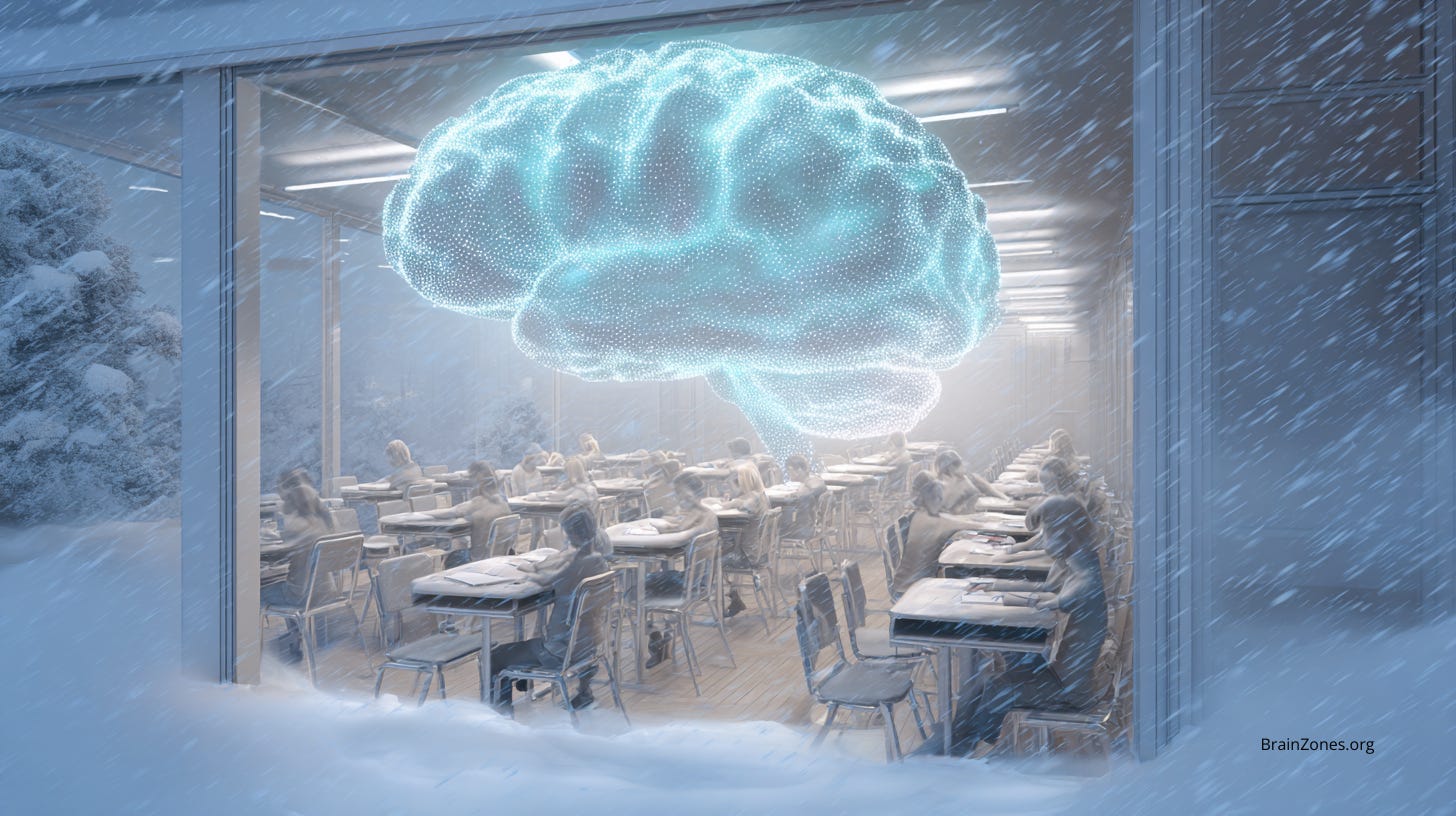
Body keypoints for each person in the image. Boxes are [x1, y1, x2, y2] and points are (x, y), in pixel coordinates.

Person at [950, 496, 1108, 756]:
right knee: (987, 684)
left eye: (1047, 534)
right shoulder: (1077, 567)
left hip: (1070, 692)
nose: (1043, 542)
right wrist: (995, 586)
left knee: (998, 688)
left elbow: (1045, 601)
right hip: (1061, 676)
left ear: (1064, 534)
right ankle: (964, 744)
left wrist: (999, 594)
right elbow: (1043, 593)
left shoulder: (1084, 580)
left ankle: (973, 749)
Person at [487, 504, 611, 715]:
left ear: (569, 533)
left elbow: (545, 579)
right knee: (524, 646)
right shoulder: (597, 561)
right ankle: (582, 691)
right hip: (588, 647)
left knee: (495, 657)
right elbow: (560, 565)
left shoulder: (575, 565)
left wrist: (527, 569)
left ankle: (500, 718)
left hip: (561, 651)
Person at [642, 472, 721, 667]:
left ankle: (657, 637)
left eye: (681, 494)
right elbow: (679, 525)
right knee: (650, 583)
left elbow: (685, 533)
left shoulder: (703, 517)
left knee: (638, 588)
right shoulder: (703, 514)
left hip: (691, 584)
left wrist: (669, 526)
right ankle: (663, 635)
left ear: (695, 493)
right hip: (697, 581)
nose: (678, 498)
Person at [262, 468, 336, 660]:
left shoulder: (296, 527)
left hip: (302, 595)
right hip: (325, 592)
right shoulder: (322, 523)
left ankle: (258, 657)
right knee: (283, 580)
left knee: (256, 592)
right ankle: (294, 638)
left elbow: (280, 554)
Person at [890, 474, 982, 597]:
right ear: (936, 498)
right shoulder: (934, 522)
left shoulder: (921, 514)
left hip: (909, 584)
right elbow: (975, 526)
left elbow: (956, 520)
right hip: (912, 590)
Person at [718, 464, 770, 618]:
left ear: (742, 484)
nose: (729, 486)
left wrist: (732, 502)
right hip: (759, 552)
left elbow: (745, 506)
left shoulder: (751, 499)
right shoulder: (759, 495)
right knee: (726, 551)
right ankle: (734, 594)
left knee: (713, 561)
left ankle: (723, 600)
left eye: (732, 483)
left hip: (747, 557)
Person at [434, 460, 511, 564]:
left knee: (452, 558)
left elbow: (444, 514)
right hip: (501, 558)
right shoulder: (502, 502)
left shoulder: (476, 503)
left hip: (479, 561)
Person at [780, 454, 827, 542]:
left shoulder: (807, 489)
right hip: (815, 526)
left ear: (798, 470)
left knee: (772, 531)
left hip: (804, 531)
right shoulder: (815, 481)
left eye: (790, 471)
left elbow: (793, 505)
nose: (789, 474)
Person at [882, 431, 914, 495]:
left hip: (893, 481)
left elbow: (890, 465)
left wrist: (887, 457)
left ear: (894, 443)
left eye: (891, 444)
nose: (889, 447)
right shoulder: (905, 453)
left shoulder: (903, 456)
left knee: (877, 477)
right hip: (899, 480)